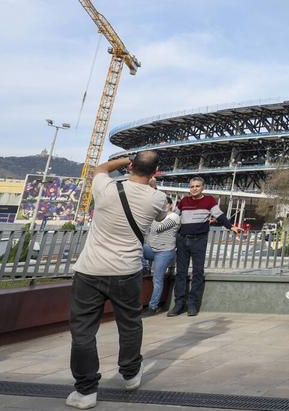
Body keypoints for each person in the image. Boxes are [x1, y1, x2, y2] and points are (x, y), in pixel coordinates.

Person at [65, 152, 167, 410]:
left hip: (90, 270)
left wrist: (123, 161)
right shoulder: (158, 198)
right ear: (156, 171)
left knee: (83, 331)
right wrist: (151, 185)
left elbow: (100, 167)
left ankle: (86, 391)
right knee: (130, 323)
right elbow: (160, 218)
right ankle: (131, 373)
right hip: (126, 270)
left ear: (131, 166)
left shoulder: (106, 187)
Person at [169, 177, 240, 317]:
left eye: (197, 186)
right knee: (181, 273)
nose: (194, 188)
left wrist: (231, 227)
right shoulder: (183, 201)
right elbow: (173, 218)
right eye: (192, 186)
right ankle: (178, 304)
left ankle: (192, 305)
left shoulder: (209, 201)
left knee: (197, 272)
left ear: (203, 187)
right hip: (182, 240)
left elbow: (220, 216)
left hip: (199, 241)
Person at [142, 199, 180, 315]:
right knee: (135, 247)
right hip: (151, 249)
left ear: (170, 205)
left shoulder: (174, 217)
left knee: (157, 280)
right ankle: (144, 267)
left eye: (165, 204)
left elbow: (157, 228)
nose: (163, 206)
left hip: (165, 252)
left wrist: (152, 219)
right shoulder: (155, 216)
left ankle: (153, 307)